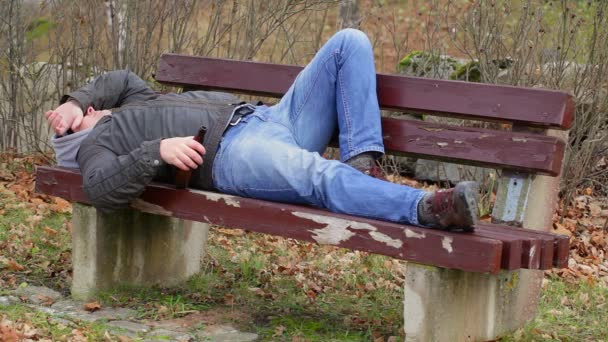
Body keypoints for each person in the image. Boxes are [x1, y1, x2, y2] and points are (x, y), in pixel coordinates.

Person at [45, 29, 479, 231]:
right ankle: (426, 208)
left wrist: (74, 101)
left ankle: (363, 167)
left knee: (349, 43)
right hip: (232, 154)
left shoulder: (128, 105)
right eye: (81, 117)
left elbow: (119, 78)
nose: (93, 107)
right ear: (73, 139)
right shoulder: (95, 149)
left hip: (269, 118)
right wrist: (157, 150)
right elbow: (102, 191)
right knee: (318, 175)